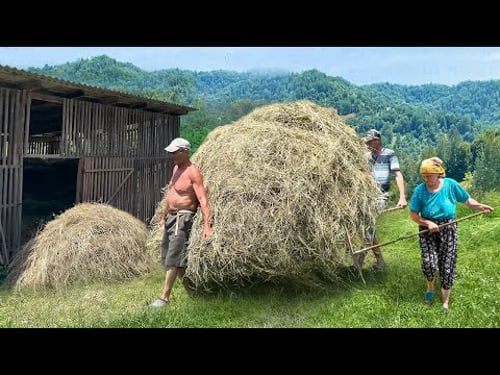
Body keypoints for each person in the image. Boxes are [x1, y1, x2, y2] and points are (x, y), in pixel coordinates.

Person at [409, 157, 493, 311]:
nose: (426, 179)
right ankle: (430, 289)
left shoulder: (451, 185)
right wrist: (427, 223)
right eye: (424, 176)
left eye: (429, 176)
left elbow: (467, 201)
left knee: (447, 265)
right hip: (428, 230)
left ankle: (445, 302)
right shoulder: (420, 190)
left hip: (448, 229)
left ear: (438, 174)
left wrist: (481, 206)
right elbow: (413, 214)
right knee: (429, 263)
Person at [150, 137, 212, 307]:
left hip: (183, 218)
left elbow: (202, 198)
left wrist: (207, 225)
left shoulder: (193, 172)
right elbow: (171, 194)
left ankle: (164, 298)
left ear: (185, 152)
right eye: (170, 153)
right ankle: (194, 294)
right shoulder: (176, 168)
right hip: (172, 217)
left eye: (174, 152)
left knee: (173, 259)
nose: (172, 156)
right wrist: (164, 215)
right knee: (176, 262)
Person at [356, 129, 407, 270]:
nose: (367, 145)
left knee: (368, 227)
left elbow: (398, 175)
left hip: (381, 196)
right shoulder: (366, 157)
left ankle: (360, 261)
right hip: (367, 196)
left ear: (377, 141)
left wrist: (402, 197)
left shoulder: (389, 154)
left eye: (369, 142)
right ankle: (379, 262)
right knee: (367, 227)